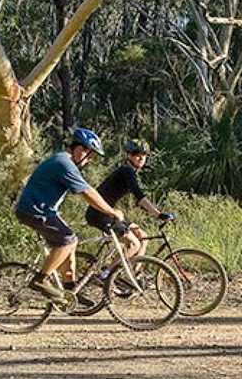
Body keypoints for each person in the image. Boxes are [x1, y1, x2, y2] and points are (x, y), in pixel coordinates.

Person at [14, 128, 123, 304]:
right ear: (80, 150)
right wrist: (111, 212)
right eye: (91, 155)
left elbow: (88, 189)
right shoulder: (63, 163)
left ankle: (70, 291)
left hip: (42, 210)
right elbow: (87, 193)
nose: (90, 160)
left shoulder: (64, 161)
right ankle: (40, 280)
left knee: (71, 242)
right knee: (68, 240)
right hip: (34, 211)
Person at [85, 139, 176, 277]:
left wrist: (151, 211)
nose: (141, 157)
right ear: (129, 155)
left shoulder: (129, 172)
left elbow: (138, 201)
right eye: (136, 154)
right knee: (134, 244)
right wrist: (158, 214)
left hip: (108, 213)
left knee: (143, 236)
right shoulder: (126, 171)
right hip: (99, 214)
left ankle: (135, 275)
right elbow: (139, 195)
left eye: (144, 155)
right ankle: (106, 274)